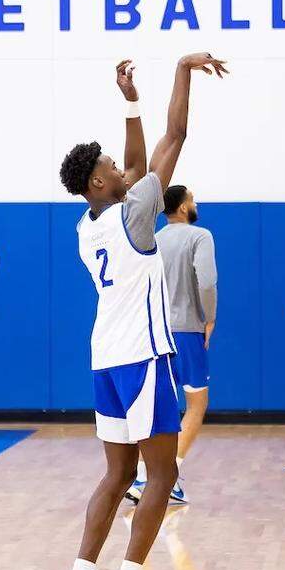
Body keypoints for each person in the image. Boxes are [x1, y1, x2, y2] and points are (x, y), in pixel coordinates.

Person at [55, 53, 228, 570]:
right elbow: (174, 135)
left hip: (104, 358)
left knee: (117, 473)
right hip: (143, 357)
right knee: (164, 472)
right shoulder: (134, 214)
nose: (123, 166)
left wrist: (130, 100)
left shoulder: (90, 224)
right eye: (112, 165)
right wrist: (180, 70)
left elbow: (132, 161)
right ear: (101, 181)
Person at [126, 184, 217, 505]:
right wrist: (209, 318)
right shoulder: (200, 235)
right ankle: (169, 477)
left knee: (160, 408)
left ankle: (141, 475)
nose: (195, 203)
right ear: (181, 208)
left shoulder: (152, 238)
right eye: (192, 198)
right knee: (196, 404)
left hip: (153, 332)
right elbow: (206, 281)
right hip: (188, 330)